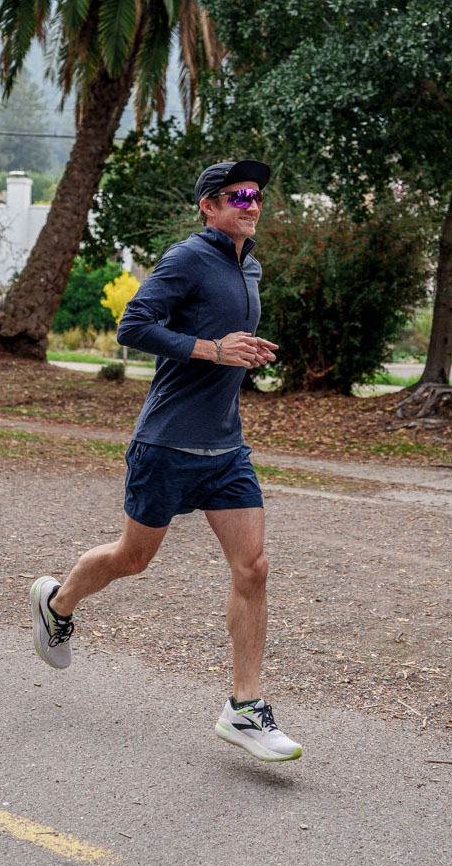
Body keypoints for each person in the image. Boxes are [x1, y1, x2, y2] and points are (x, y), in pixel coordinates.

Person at [30, 159, 302, 762]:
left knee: (252, 567)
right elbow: (134, 325)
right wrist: (211, 349)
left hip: (226, 448)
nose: (251, 203)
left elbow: (220, 343)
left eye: (256, 195)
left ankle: (244, 709)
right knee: (133, 558)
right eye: (237, 195)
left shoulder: (247, 263)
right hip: (167, 444)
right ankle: (56, 603)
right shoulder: (188, 257)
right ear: (208, 206)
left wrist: (242, 352)